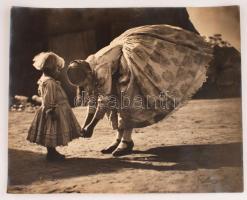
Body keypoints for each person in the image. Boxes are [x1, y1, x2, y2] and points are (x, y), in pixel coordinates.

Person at [67, 24, 213, 157]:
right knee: (114, 105)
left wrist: (91, 127)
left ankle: (127, 141)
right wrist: (85, 125)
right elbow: (94, 98)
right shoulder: (88, 68)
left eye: (85, 83)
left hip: (128, 65)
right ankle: (118, 139)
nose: (85, 87)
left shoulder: (100, 69)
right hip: (117, 69)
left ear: (88, 74)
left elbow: (103, 101)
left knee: (125, 102)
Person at [27, 52, 81, 161]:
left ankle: (52, 152)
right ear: (50, 69)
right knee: (52, 130)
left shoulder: (45, 80)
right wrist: (51, 111)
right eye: (57, 69)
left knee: (51, 131)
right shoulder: (50, 83)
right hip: (52, 111)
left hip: (52, 109)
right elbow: (48, 99)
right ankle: (51, 153)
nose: (59, 72)